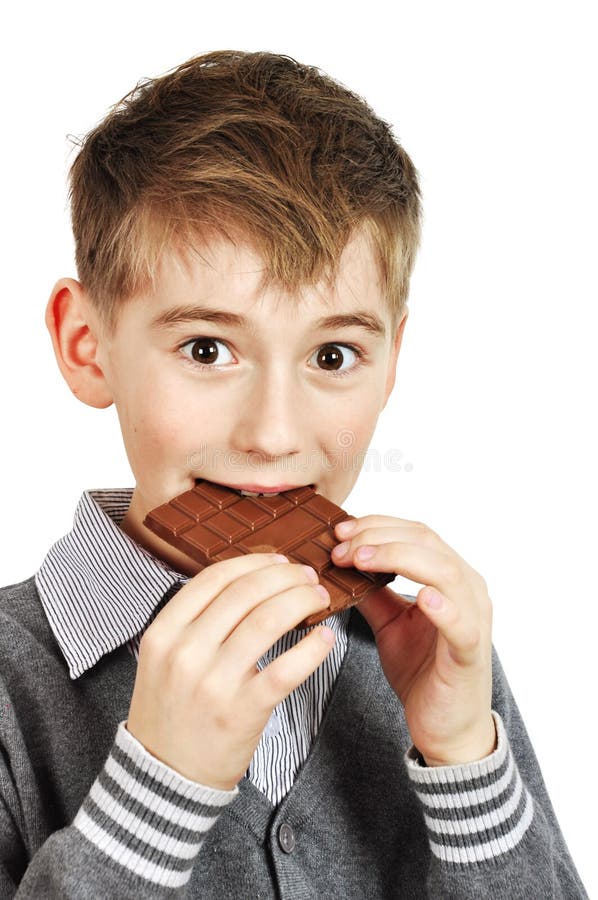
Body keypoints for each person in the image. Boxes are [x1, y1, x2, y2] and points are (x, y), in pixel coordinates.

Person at [0, 49, 588, 899]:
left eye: (334, 353)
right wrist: (155, 790)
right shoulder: (13, 680)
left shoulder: (432, 663)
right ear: (86, 345)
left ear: (392, 362)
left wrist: (466, 767)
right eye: (207, 349)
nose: (275, 434)